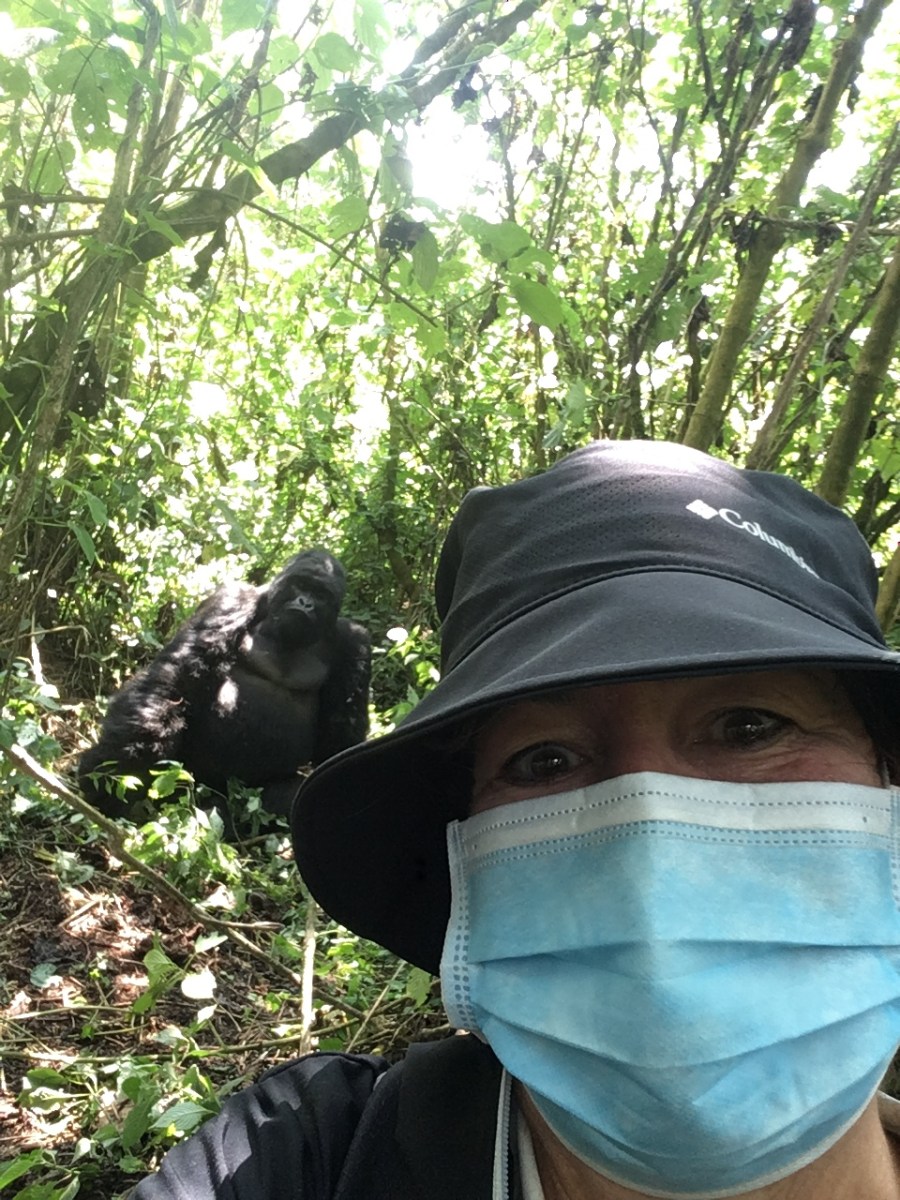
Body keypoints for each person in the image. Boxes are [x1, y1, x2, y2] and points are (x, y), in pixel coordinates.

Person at [133, 440, 900, 1200]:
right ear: (466, 853)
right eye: (544, 761)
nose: (646, 852)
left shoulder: (344, 651)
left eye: (750, 727)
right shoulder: (302, 1153)